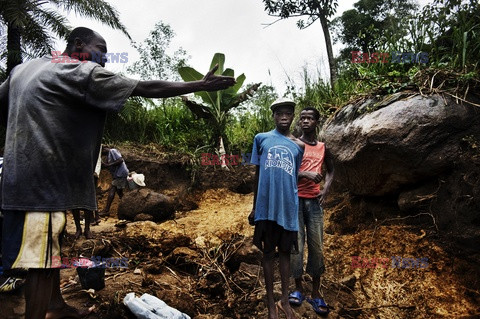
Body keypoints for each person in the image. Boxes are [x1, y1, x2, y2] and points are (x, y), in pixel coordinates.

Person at [0, 26, 235, 319]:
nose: (105, 61)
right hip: (44, 186)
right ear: (78, 45)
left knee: (51, 247)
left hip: (16, 181)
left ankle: (55, 304)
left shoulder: (24, 69)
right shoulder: (80, 70)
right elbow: (146, 88)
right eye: (102, 52)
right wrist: (199, 85)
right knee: (42, 263)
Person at [249, 98, 304, 319]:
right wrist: (254, 208)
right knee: (268, 253)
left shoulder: (298, 147)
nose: (283, 117)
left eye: (287, 114)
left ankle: (284, 299)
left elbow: (293, 177)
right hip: (266, 208)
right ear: (273, 116)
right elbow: (258, 175)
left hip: (288, 208)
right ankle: (271, 301)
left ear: (292, 116)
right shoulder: (261, 139)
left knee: (285, 255)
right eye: (279, 113)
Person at [288, 107, 334, 315]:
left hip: (315, 203)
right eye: (303, 118)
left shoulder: (324, 147)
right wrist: (305, 173)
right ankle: (298, 289)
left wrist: (325, 189)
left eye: (310, 118)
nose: (305, 121)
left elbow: (332, 170)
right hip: (295, 200)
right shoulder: (294, 145)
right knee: (296, 244)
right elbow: (287, 173)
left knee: (317, 246)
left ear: (317, 122)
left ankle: (315, 294)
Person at [100, 146, 129, 216]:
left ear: (104, 149)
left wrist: (108, 165)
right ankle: (128, 206)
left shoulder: (112, 151)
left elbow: (120, 160)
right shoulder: (108, 156)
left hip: (121, 174)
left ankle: (106, 210)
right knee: (120, 193)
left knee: (112, 190)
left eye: (102, 152)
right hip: (118, 175)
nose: (102, 153)